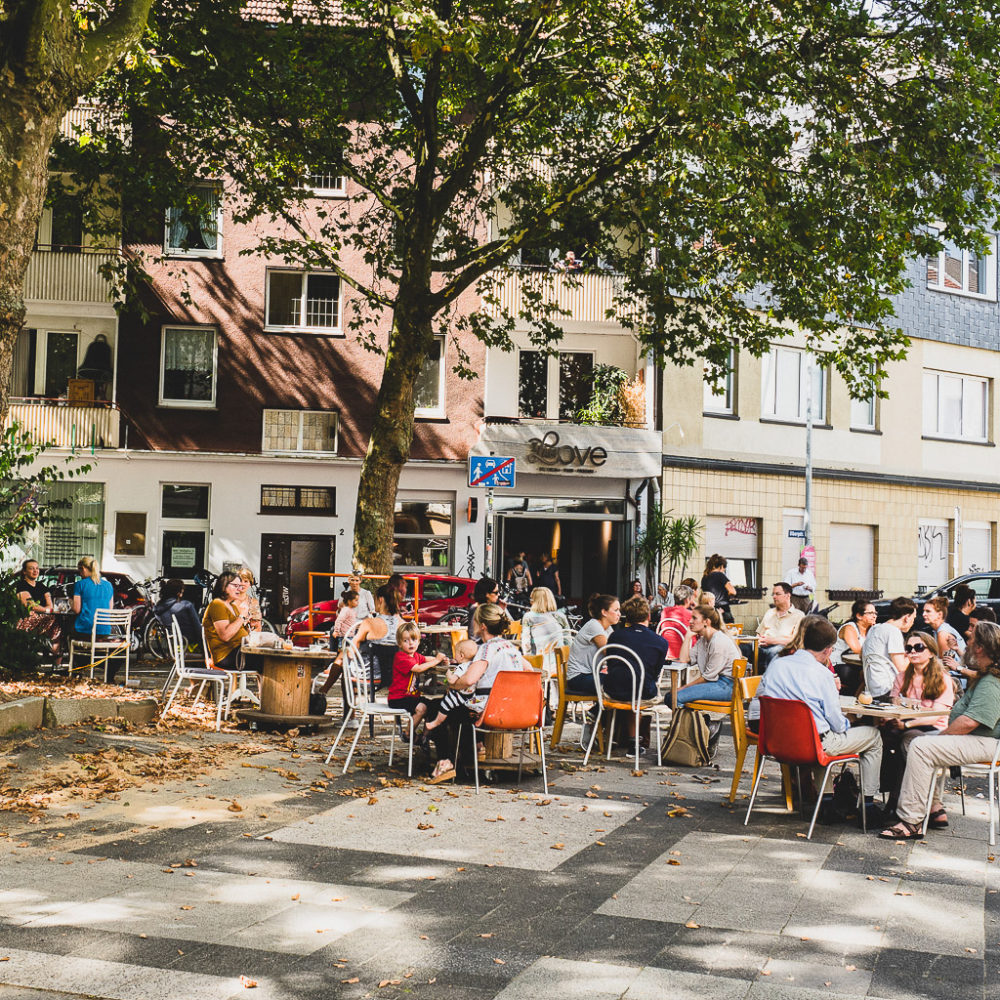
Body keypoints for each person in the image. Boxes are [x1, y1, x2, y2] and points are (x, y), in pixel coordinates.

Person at [880, 621, 1000, 839]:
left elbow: (969, 722)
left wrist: (942, 737)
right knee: (914, 742)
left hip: (987, 744)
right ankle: (932, 806)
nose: (966, 642)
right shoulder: (986, 675)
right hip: (978, 740)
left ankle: (910, 820)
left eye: (971, 638)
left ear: (980, 647)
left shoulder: (991, 681)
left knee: (921, 745)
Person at [758, 616, 883, 820]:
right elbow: (835, 720)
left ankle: (826, 803)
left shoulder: (776, 664)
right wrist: (848, 722)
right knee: (873, 737)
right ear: (828, 650)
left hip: (777, 743)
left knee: (818, 731)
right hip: (813, 745)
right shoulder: (822, 674)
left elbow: (763, 695)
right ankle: (868, 804)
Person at [427, 603, 530, 784]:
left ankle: (446, 761)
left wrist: (454, 685)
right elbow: (529, 671)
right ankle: (471, 752)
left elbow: (469, 680)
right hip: (514, 709)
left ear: (483, 625)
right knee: (458, 709)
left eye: (474, 620)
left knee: (437, 706)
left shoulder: (486, 648)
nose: (472, 623)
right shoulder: (511, 648)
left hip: (489, 710)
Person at [879, 631, 954, 813]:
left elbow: (937, 715)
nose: (912, 651)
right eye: (908, 648)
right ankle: (933, 805)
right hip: (904, 726)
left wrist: (907, 724)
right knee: (877, 738)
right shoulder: (902, 677)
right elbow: (893, 706)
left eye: (918, 647)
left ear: (930, 652)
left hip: (934, 729)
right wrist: (887, 719)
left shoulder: (943, 679)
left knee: (909, 742)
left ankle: (897, 801)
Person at [386, 621, 448, 730]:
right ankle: (407, 734)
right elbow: (418, 669)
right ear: (399, 643)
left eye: (414, 640)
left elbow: (427, 659)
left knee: (432, 706)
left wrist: (442, 660)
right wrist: (437, 660)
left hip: (412, 697)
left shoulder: (415, 656)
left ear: (419, 641)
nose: (411, 643)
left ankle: (425, 736)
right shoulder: (401, 657)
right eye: (406, 641)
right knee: (422, 708)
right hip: (398, 698)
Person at [605, 596, 667, 703]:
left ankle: (614, 718)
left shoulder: (614, 636)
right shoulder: (661, 642)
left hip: (614, 690)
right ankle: (638, 718)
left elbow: (611, 664)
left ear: (627, 618)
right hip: (644, 692)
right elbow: (655, 673)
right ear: (649, 616)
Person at [675, 604, 739, 707]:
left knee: (675, 697)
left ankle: (698, 722)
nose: (690, 621)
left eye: (694, 618)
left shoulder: (718, 641)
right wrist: (687, 637)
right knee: (671, 697)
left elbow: (708, 677)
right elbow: (684, 660)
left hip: (727, 686)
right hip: (716, 683)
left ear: (707, 622)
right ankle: (699, 721)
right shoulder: (703, 641)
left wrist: (683, 688)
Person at [862, 596, 917, 699]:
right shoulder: (893, 631)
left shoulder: (875, 628)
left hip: (871, 686)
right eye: (913, 618)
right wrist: (913, 653)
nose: (913, 622)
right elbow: (902, 667)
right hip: (888, 688)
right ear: (907, 617)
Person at [565, 594, 621, 695]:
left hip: (590, 675)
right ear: (604, 612)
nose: (619, 614)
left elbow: (616, 650)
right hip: (578, 678)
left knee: (621, 681)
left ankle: (601, 710)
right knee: (619, 682)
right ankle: (600, 710)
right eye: (616, 610)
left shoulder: (607, 628)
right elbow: (610, 653)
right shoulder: (594, 626)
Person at [423, 639, 479, 736]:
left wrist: (448, 673)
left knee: (445, 704)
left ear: (461, 656)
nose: (454, 656)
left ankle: (436, 722)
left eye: (455, 654)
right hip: (472, 697)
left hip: (461, 695)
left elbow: (452, 680)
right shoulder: (475, 666)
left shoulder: (461, 667)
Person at [14, 559, 61, 661]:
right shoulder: (21, 585)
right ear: (24, 572)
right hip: (25, 620)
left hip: (43, 619)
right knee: (51, 619)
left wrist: (45, 610)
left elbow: (50, 605)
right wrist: (45, 610)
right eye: (31, 568)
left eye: (37, 568)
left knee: (59, 624)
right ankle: (47, 653)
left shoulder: (41, 586)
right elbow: (31, 606)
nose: (35, 571)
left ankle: (56, 662)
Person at [202, 572, 250, 670]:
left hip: (239, 651)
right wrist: (241, 617)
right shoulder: (217, 605)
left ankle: (264, 685)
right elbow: (225, 636)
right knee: (269, 661)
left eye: (240, 586)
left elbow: (240, 632)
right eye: (236, 585)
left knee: (270, 657)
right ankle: (267, 686)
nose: (239, 589)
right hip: (226, 656)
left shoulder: (233, 606)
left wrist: (246, 623)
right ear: (224, 586)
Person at [830, 599, 876, 693]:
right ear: (859, 615)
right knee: (861, 675)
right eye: (870, 613)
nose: (874, 616)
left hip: (858, 664)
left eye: (875, 612)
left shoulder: (871, 630)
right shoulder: (849, 628)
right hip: (839, 664)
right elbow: (857, 650)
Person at [756, 582, 805, 671]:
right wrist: (758, 640)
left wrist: (771, 641)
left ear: (788, 595)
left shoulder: (799, 615)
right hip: (763, 645)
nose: (774, 597)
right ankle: (740, 682)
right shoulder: (769, 612)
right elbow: (759, 634)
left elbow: (796, 640)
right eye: (773, 594)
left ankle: (769, 682)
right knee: (743, 648)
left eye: (777, 594)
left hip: (783, 647)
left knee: (775, 652)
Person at [520, 587, 570, 660]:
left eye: (531, 599)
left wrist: (529, 660)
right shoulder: (560, 616)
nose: (530, 602)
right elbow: (568, 641)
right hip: (561, 663)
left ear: (536, 601)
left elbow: (526, 643)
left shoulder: (529, 617)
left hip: (540, 663)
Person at [153, 578, 203, 646]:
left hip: (170, 641)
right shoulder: (186, 605)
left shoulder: (158, 607)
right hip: (187, 639)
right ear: (179, 593)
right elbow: (197, 627)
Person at [921, 596, 966, 670]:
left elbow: (945, 663)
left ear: (940, 615)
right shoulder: (939, 630)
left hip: (956, 675)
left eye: (928, 611)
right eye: (924, 611)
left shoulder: (942, 632)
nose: (923, 614)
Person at [657, 584, 697, 660]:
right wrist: (697, 609)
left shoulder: (665, 611)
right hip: (685, 653)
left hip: (667, 653)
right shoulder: (691, 614)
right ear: (687, 600)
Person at [701, 555, 736, 623]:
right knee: (728, 631)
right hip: (723, 609)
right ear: (721, 566)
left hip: (710, 609)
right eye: (724, 568)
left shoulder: (704, 578)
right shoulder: (720, 575)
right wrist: (728, 594)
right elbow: (733, 591)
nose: (724, 570)